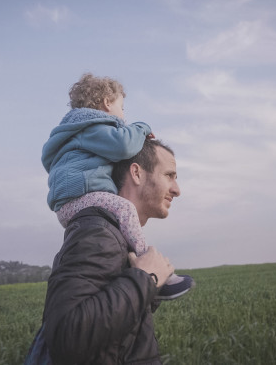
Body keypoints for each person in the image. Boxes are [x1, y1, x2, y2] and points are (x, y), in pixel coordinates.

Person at [40, 73, 193, 300]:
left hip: (68, 204)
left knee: (122, 218)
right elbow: (123, 145)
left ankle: (138, 269)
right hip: (78, 200)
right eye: (122, 108)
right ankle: (149, 264)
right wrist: (142, 127)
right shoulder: (90, 127)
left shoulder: (75, 135)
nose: (123, 116)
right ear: (107, 103)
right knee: (125, 210)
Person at [32, 138, 182, 364]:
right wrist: (146, 279)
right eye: (169, 175)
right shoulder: (98, 232)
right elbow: (67, 336)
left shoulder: (117, 235)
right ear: (136, 173)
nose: (177, 190)